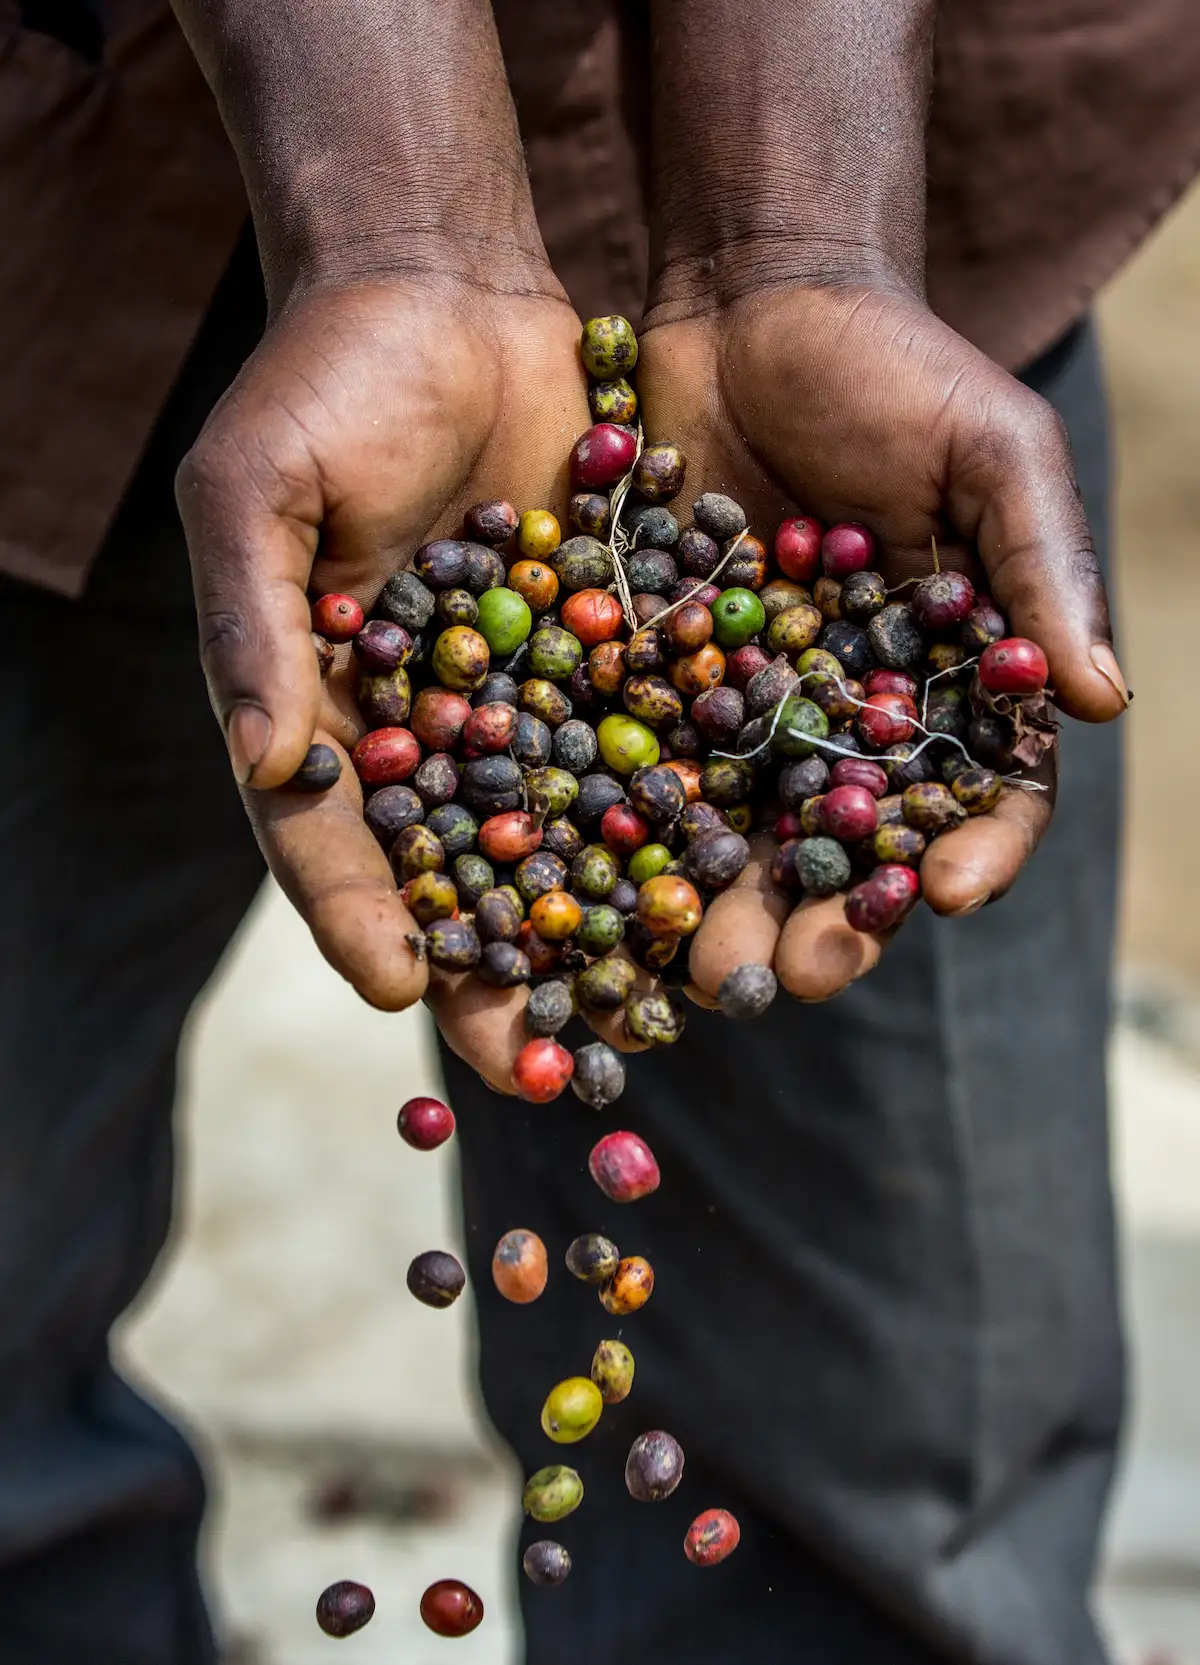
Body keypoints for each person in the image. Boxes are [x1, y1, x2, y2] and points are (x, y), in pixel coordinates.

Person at [1, 0, 1197, 1659]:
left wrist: (802, 237)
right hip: (70, 179)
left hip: (865, 187)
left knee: (858, 1495)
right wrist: (398, 219)